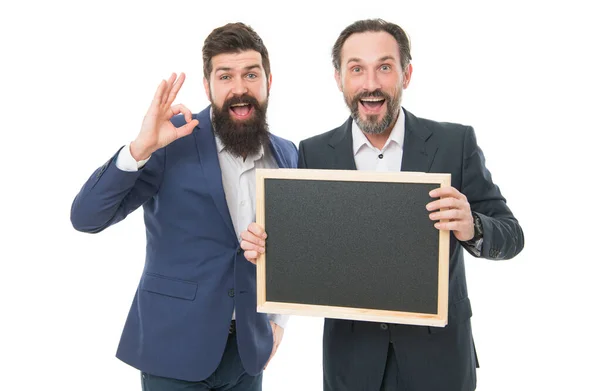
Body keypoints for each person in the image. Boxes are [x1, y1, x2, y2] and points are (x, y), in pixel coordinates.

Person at [241, 19, 524, 391]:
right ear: (339, 78)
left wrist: (472, 225)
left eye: (384, 67)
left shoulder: (455, 143)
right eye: (357, 69)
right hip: (352, 364)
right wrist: (266, 247)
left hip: (439, 362)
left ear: (406, 74)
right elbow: (304, 250)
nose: (370, 84)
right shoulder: (313, 152)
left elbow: (512, 235)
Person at [70, 22, 297, 390]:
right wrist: (140, 149)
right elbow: (86, 217)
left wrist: (280, 319)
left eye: (251, 75)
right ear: (207, 86)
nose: (240, 89)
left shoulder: (286, 154)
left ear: (269, 80)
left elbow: (292, 246)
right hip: (173, 349)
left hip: (248, 355)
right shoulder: (170, 142)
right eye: (225, 76)